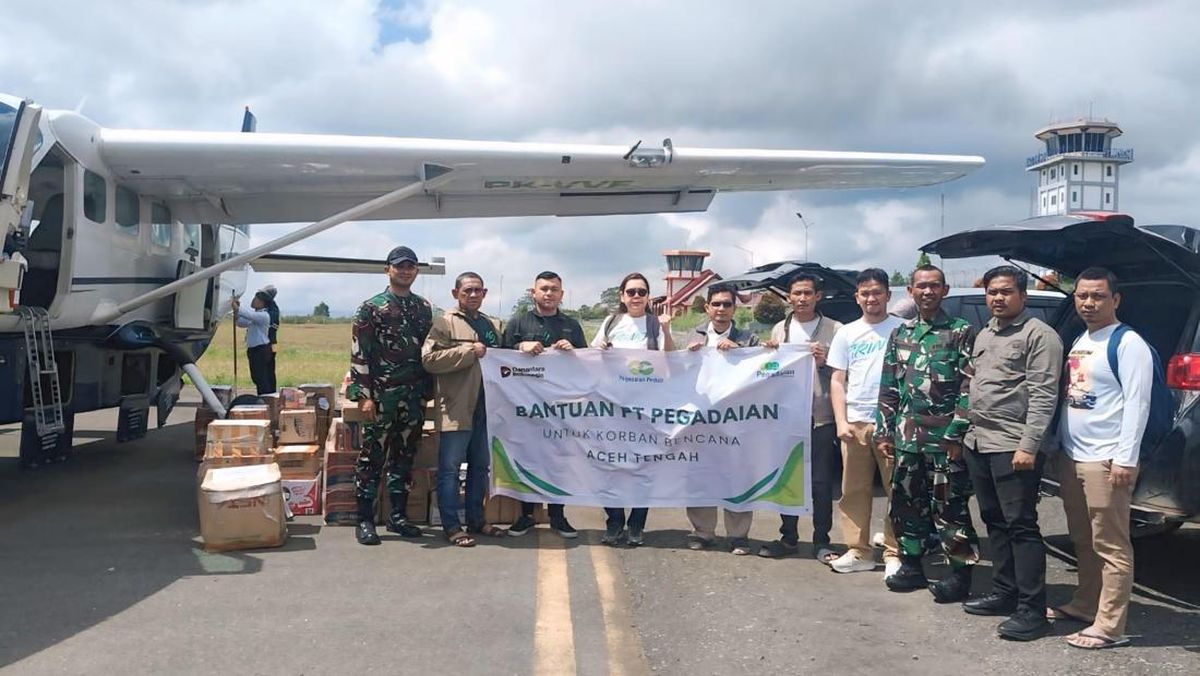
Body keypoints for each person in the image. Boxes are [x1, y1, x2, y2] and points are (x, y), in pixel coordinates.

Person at [961, 266, 1062, 641]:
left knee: (1021, 525)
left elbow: (1043, 395)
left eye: (1005, 292)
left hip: (1012, 446)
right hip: (979, 442)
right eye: (992, 292)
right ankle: (1005, 593)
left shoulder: (1040, 335)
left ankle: (1032, 610)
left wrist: (1028, 446)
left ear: (1023, 295)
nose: (998, 298)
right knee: (995, 521)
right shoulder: (986, 333)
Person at [1054, 267, 1151, 650]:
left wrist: (1126, 459)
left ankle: (1110, 626)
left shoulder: (1128, 343)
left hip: (1107, 460)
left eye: (1097, 296)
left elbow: (1137, 404)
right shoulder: (1083, 339)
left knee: (1111, 545)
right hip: (1073, 456)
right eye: (1081, 296)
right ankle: (1084, 604)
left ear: (1116, 299)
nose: (1088, 303)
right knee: (1083, 539)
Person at [875, 264, 980, 601]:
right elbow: (889, 386)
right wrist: (884, 431)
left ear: (945, 290)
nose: (927, 292)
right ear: (911, 291)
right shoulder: (901, 334)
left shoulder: (961, 331)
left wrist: (957, 433)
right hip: (907, 438)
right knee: (906, 503)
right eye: (921, 286)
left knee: (950, 507)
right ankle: (911, 564)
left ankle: (960, 574)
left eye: (934, 286)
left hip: (944, 441)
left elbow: (969, 386)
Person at [347, 245, 434, 546]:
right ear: (388, 270)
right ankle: (365, 520)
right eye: (399, 266)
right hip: (381, 397)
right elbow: (360, 354)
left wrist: (429, 391)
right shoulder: (371, 308)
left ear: (416, 271)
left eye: (410, 266)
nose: (405, 270)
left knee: (404, 456)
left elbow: (429, 352)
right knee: (372, 457)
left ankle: (398, 517)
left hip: (413, 396)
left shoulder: (423, 308)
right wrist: (364, 396)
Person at [759, 273, 843, 561]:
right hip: (787, 418)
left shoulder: (835, 330)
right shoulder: (779, 330)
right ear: (789, 297)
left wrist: (824, 362)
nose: (802, 298)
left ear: (818, 296)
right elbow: (769, 373)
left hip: (821, 417)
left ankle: (822, 540)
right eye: (797, 293)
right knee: (788, 480)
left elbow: (847, 374)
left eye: (808, 293)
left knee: (821, 483)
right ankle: (789, 537)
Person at [826, 269, 904, 576]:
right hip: (855, 422)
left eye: (877, 292)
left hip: (893, 424)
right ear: (858, 297)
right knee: (853, 491)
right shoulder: (846, 333)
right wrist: (840, 421)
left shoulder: (903, 329)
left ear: (888, 295)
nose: (871, 298)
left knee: (897, 491)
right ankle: (859, 551)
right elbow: (837, 380)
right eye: (865, 293)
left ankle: (895, 552)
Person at [590, 272, 675, 546]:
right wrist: (600, 347)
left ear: (648, 296)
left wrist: (667, 330)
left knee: (643, 467)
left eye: (641, 292)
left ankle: (637, 525)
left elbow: (671, 359)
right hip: (611, 408)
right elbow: (589, 357)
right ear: (622, 296)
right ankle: (614, 521)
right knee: (609, 467)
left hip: (646, 409)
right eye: (631, 292)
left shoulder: (655, 323)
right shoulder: (611, 322)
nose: (636, 297)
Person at [422, 272, 505, 547]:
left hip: (487, 408)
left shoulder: (493, 325)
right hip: (456, 408)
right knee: (450, 470)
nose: (472, 295)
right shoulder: (444, 323)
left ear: (485, 293)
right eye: (467, 290)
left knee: (480, 468)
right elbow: (430, 360)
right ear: (455, 292)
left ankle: (477, 520)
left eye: (477, 290)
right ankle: (452, 526)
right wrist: (469, 352)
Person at [503, 271, 587, 539]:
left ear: (561, 294)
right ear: (533, 292)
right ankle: (526, 514)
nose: (549, 293)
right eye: (544, 289)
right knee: (527, 457)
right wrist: (520, 345)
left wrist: (573, 350)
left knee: (559, 460)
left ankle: (558, 515)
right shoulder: (518, 322)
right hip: (526, 405)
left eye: (554, 289)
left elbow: (589, 362)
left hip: (561, 406)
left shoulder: (571, 325)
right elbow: (500, 357)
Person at [684, 284, 759, 555]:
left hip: (736, 420)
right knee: (701, 474)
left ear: (734, 308)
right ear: (707, 308)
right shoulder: (694, 336)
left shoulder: (748, 338)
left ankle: (739, 535)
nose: (721, 309)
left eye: (727, 304)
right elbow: (678, 374)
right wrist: (689, 355)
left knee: (737, 475)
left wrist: (740, 353)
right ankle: (703, 531)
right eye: (716, 304)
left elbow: (759, 376)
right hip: (702, 419)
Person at [231, 287, 276, 395]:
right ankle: (264, 397)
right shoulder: (257, 315)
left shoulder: (264, 316)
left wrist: (237, 307)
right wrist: (236, 312)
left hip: (261, 350)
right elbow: (241, 322)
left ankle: (265, 398)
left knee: (261, 378)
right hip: (254, 350)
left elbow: (248, 315)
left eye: (256, 299)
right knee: (257, 377)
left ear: (262, 303)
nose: (253, 300)